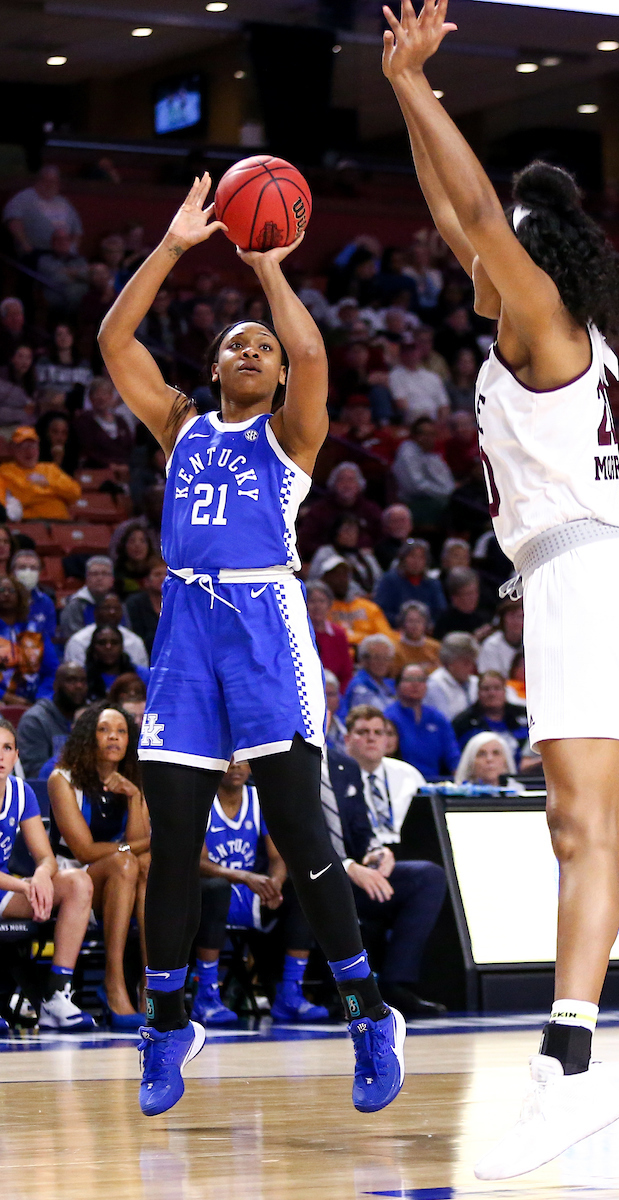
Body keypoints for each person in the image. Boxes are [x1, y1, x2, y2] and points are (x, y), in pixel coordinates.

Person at [382, 0, 619, 1176]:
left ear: (529, 247)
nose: (469, 249)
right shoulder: (541, 321)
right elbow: (455, 214)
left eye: (496, 239)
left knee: (573, 830)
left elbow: (475, 219)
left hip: (583, 584)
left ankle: (567, 1070)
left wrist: (414, 84)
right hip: (615, 580)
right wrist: (407, 97)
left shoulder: (543, 317)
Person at [98, 173, 404, 1117]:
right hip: (186, 632)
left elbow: (311, 352)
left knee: (304, 835)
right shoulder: (180, 425)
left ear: (273, 379)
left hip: (266, 630)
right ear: (217, 365)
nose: (251, 348)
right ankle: (166, 1028)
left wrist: (269, 269)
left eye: (260, 348)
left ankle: (366, 1014)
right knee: (174, 838)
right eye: (235, 342)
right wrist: (175, 245)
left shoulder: (290, 438)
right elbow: (115, 341)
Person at [195, 760, 329, 1026]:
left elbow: (278, 857)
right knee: (217, 889)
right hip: (206, 892)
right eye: (230, 760)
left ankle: (291, 991)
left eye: (242, 760)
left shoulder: (259, 798)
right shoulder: (200, 798)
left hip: (250, 892)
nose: (236, 766)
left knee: (304, 889)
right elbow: (196, 861)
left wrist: (275, 883)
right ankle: (206, 995)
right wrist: (244, 876)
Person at [327, 734, 447, 1018]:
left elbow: (361, 829)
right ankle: (335, 990)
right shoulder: (290, 763)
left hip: (356, 870)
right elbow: (299, 836)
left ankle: (396, 982)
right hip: (314, 873)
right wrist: (347, 867)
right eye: (363, 732)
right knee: (326, 885)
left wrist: (376, 852)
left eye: (378, 732)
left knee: (428, 876)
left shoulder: (344, 766)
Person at [48, 703, 150, 1029]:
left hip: (119, 878)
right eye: (104, 730)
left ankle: (152, 985)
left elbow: (136, 842)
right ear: (88, 737)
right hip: (72, 878)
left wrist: (134, 798)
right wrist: (138, 846)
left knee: (144, 866)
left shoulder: (132, 781)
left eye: (121, 731)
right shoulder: (62, 779)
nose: (113, 738)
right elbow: (84, 850)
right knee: (128, 862)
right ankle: (114, 983)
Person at [0, 718, 95, 1033]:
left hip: (7, 890)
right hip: (10, 885)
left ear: (16, 756)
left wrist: (41, 876)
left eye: (7, 748)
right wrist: (25, 885)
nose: (1, 756)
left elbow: (44, 855)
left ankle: (56, 995)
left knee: (78, 883)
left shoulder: (20, 791)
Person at [384, 663, 460, 779]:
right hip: (399, 780)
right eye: (409, 679)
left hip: (435, 783)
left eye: (420, 680)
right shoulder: (388, 717)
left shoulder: (437, 718)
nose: (415, 684)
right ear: (397, 686)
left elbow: (453, 756)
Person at [16, 663, 88, 779]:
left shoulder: (90, 717)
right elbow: (34, 773)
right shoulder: (35, 720)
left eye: (83, 681)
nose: (79, 686)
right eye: (71, 681)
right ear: (56, 685)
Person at [0, 576, 59, 707]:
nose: (6, 594)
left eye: (11, 591)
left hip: (34, 701)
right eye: (1, 590)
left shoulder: (35, 630)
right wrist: (7, 697)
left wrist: (41, 698)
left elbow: (52, 670)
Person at [3, 165, 83, 261]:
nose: (51, 185)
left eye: (54, 182)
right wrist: (25, 244)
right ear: (39, 181)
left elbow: (77, 230)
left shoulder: (64, 201)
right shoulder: (23, 198)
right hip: (37, 253)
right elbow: (13, 220)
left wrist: (72, 248)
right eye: (47, 181)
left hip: (65, 254)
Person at [0, 425, 81, 521]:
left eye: (32, 446)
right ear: (12, 449)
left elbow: (75, 493)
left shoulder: (50, 468)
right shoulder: (5, 471)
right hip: (30, 523)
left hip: (62, 521)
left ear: (38, 448)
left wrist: (49, 484)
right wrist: (53, 492)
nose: (29, 451)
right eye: (23, 446)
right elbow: (22, 498)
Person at [453, 668, 529, 764]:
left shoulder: (523, 715)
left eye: (497, 688)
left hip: (524, 775)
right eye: (486, 689)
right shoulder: (463, 722)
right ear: (478, 692)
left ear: (505, 691)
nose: (492, 694)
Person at [391, 416, 456, 526]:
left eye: (432, 434)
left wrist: (451, 490)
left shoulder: (431, 455)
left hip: (431, 500)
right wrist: (447, 492)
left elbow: (446, 481)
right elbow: (416, 486)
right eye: (424, 433)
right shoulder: (407, 451)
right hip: (413, 503)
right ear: (415, 436)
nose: (428, 438)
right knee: (452, 506)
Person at [64, 592, 149, 670]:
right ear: (96, 612)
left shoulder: (135, 641)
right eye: (106, 608)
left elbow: (141, 675)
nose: (112, 612)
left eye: (116, 608)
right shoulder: (78, 641)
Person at [374, 538, 446, 627]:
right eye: (412, 556)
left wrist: (426, 625)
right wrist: (406, 623)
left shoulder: (433, 584)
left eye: (421, 557)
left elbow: (440, 612)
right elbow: (380, 611)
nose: (416, 561)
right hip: (395, 632)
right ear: (403, 559)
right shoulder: (389, 581)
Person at [324, 556, 394, 647]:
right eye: (336, 575)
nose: (341, 579)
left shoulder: (368, 607)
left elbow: (386, 636)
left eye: (344, 574)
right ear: (325, 578)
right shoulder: (321, 609)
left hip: (371, 654)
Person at [74, 377, 135, 469]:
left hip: (123, 471)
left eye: (105, 393)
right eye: (97, 394)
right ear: (91, 397)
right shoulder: (84, 421)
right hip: (95, 470)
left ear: (111, 396)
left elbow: (129, 447)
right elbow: (87, 449)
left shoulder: (120, 421)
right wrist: (109, 465)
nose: (101, 398)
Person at [306, 580, 353, 691]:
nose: (317, 606)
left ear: (329, 605)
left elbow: (346, 674)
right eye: (312, 601)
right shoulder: (299, 634)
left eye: (322, 601)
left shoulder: (339, 634)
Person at [83, 624, 149, 700]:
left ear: (122, 647)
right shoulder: (83, 676)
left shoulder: (142, 675)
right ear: (93, 647)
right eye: (102, 643)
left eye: (114, 642)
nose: (108, 647)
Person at [58, 556, 115, 643]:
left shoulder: (118, 605)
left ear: (112, 580)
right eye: (94, 574)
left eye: (105, 574)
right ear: (86, 578)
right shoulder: (75, 605)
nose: (99, 578)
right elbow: (74, 640)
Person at [424, 631, 478, 721]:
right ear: (449, 662)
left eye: (473, 662)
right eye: (466, 662)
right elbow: (444, 720)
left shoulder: (476, 682)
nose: (471, 667)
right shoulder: (434, 685)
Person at [340, 633, 396, 716]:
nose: (382, 663)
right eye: (376, 657)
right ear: (364, 660)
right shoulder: (358, 686)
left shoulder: (390, 684)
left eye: (386, 658)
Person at [11, 548, 57, 643]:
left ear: (39, 573)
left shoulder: (46, 602)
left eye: (33, 568)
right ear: (12, 572)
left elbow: (49, 636)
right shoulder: (3, 599)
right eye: (22, 568)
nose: (28, 572)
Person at [434, 566, 492, 639]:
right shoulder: (445, 622)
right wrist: (473, 638)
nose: (474, 597)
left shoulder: (484, 616)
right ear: (455, 597)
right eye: (468, 594)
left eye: (476, 592)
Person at [124, 558, 167, 657]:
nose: (163, 578)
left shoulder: (179, 602)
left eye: (166, 575)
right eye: (157, 575)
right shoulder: (134, 603)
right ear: (146, 581)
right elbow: (134, 637)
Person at [391, 600, 440, 676]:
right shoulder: (394, 648)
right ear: (403, 623)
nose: (415, 625)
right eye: (410, 621)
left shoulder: (436, 647)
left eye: (419, 621)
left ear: (426, 623)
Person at [476, 599, 523, 677]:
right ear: (503, 619)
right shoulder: (491, 645)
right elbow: (489, 676)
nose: (516, 621)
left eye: (520, 617)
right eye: (512, 616)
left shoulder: (531, 642)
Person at [114, 524, 159, 597]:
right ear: (124, 546)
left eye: (143, 541)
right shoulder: (117, 573)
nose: (137, 545)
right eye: (132, 541)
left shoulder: (157, 571)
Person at [373, 504, 413, 570]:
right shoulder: (381, 550)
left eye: (403, 520)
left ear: (410, 524)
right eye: (395, 521)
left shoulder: (416, 545)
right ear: (386, 526)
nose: (400, 525)